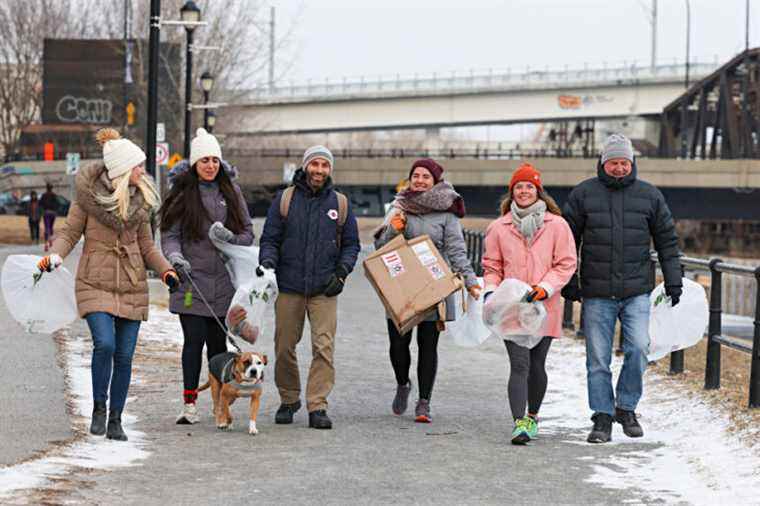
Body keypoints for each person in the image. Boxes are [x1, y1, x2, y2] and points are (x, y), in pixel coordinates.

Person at [37, 128, 180, 441]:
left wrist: (167, 271)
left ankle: (116, 418)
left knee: (125, 357)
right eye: (138, 166)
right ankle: (99, 407)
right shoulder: (87, 200)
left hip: (131, 284)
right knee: (105, 343)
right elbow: (69, 233)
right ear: (122, 170)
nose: (143, 171)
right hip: (94, 282)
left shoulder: (141, 203)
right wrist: (55, 256)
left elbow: (147, 247)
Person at [562, 134, 682, 443]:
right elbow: (566, 242)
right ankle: (602, 416)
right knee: (598, 359)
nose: (619, 168)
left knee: (639, 348)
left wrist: (673, 279)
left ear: (632, 163)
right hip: (597, 292)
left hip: (636, 291)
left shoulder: (650, 196)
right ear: (604, 163)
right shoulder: (583, 194)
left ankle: (626, 407)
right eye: (614, 162)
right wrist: (569, 282)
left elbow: (667, 241)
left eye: (624, 163)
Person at [259, 145, 360, 430]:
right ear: (305, 167)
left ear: (330, 170)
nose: (319, 170)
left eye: (324, 165)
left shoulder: (340, 204)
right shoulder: (285, 199)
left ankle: (318, 405)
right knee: (284, 347)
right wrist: (268, 261)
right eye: (314, 164)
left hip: (324, 289)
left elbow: (351, 245)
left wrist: (341, 272)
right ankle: (289, 398)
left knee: (324, 347)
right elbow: (270, 239)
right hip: (289, 286)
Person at [374, 158, 480, 423]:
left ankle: (424, 402)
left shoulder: (447, 211)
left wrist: (469, 280)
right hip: (401, 285)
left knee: (428, 345)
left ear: (435, 181)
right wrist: (392, 230)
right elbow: (380, 247)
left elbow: (456, 249)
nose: (420, 180)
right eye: (416, 176)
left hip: (435, 284)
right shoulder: (399, 207)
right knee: (398, 344)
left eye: (426, 176)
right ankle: (402, 383)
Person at [160, 128, 254, 425]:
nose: (211, 165)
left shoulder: (232, 192)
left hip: (224, 284)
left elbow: (248, 235)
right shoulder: (181, 194)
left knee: (218, 347)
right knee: (193, 342)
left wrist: (229, 237)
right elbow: (170, 235)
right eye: (204, 160)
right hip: (191, 282)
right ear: (194, 164)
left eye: (215, 160)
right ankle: (189, 403)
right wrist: (175, 258)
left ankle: (220, 404)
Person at [482, 163, 577, 444]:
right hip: (512, 306)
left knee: (537, 364)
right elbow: (491, 265)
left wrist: (544, 288)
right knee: (519, 363)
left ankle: (533, 416)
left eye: (529, 186)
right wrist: (491, 292)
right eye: (519, 187)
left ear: (538, 191)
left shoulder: (557, 225)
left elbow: (566, 263)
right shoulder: (498, 227)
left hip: (545, 305)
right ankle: (520, 424)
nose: (524, 191)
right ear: (512, 193)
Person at [40, 182, 58, 251]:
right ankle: (50, 240)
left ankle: (46, 243)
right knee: (50, 227)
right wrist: (55, 210)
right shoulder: (54, 195)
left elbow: (40, 203)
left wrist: (43, 210)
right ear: (52, 188)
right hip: (53, 213)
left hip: (46, 212)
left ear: (46, 188)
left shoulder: (44, 195)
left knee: (47, 227)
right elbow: (57, 204)